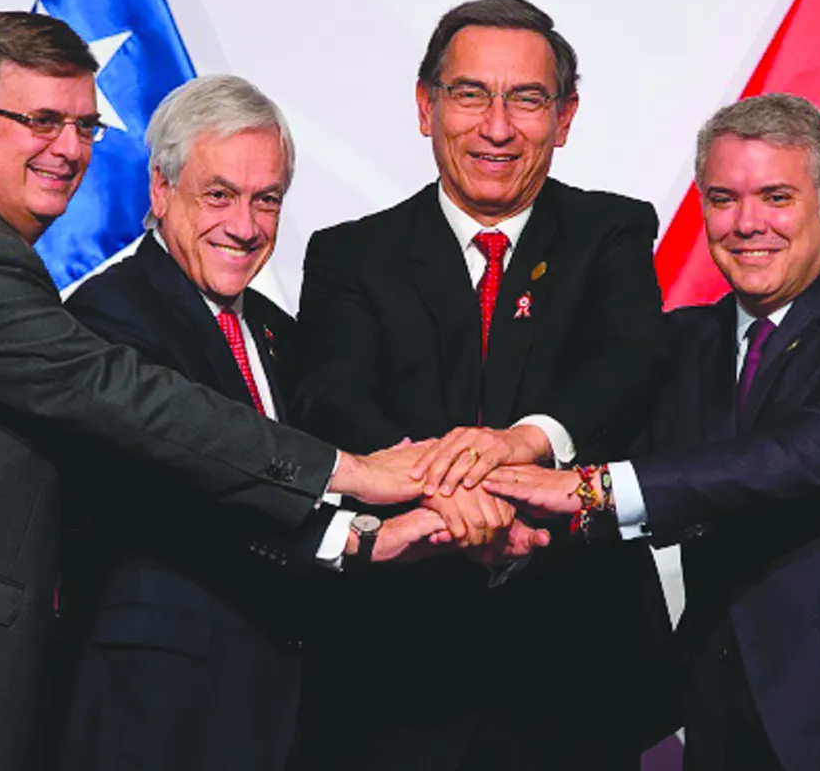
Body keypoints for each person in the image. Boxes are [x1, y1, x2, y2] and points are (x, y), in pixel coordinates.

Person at [0, 12, 503, 771]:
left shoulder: (269, 328)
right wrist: (357, 484)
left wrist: (462, 496)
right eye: (42, 121)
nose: (70, 148)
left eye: (85, 126)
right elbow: (134, 409)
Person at [55, 75, 542, 771]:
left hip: (291, 713)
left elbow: (327, 479)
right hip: (160, 711)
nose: (245, 225)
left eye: (267, 199)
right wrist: (359, 538)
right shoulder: (107, 319)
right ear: (160, 190)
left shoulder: (279, 332)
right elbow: (181, 491)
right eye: (218, 194)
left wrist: (453, 521)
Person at [485, 92, 820, 771]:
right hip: (722, 713)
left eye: (776, 197)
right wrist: (491, 507)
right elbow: (604, 447)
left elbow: (793, 459)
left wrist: (588, 491)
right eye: (723, 199)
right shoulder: (681, 342)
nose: (746, 224)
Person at [294, 0, 672, 771]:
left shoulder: (614, 232)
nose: (496, 127)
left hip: (575, 673)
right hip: (390, 678)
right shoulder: (349, 254)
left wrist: (522, 443)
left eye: (526, 99)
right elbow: (331, 396)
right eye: (470, 94)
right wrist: (449, 494)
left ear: (564, 117)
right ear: (425, 106)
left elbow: (628, 367)